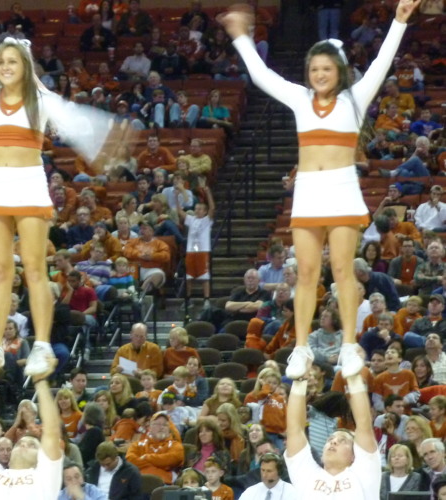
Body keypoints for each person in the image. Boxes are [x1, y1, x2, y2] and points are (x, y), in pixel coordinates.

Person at [219, 0, 420, 381]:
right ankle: (300, 348)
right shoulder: (299, 98)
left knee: (344, 270)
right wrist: (241, 38)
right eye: (314, 69)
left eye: (327, 68)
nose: (320, 74)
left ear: (339, 70)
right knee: (307, 272)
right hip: (309, 193)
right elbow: (262, 76)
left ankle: (349, 345)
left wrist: (398, 22)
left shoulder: (354, 99)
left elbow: (381, 64)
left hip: (343, 190)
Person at [0, 37, 112, 377]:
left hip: (30, 187)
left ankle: (41, 345)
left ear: (25, 67)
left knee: (35, 270)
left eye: (14, 61)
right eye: (1, 61)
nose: (6, 66)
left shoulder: (40, 100)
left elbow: (75, 120)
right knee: (2, 270)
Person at [285, 352, 380, 499]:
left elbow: (364, 425)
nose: (333, 441)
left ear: (355, 456)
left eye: (343, 441)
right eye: (330, 439)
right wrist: (300, 380)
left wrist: (354, 378)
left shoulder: (364, 473)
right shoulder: (307, 474)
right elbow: (294, 429)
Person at [0, 355, 63, 499]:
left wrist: (40, 381)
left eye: (32, 445)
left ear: (41, 457)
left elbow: (52, 430)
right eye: (20, 443)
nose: (24, 444)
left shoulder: (45, 476)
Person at [176, 182, 215, 309]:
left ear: (204, 211)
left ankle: (206, 300)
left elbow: (212, 208)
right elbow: (180, 212)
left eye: (200, 209)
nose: (197, 210)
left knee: (204, 277)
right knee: (189, 277)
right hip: (191, 251)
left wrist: (208, 193)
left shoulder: (207, 220)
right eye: (196, 208)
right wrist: (177, 197)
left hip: (203, 251)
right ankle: (188, 299)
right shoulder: (191, 220)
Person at [126, 411, 184, 484]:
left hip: (165, 485)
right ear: (150, 428)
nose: (161, 427)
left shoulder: (176, 445)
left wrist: (146, 457)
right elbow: (130, 460)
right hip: (138, 484)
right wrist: (162, 465)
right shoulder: (136, 445)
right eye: (157, 424)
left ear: (169, 429)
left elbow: (173, 459)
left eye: (165, 425)